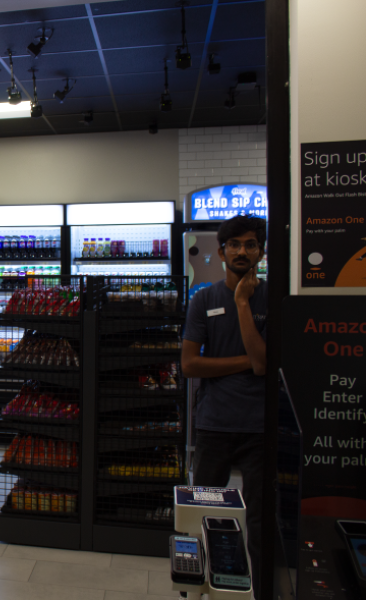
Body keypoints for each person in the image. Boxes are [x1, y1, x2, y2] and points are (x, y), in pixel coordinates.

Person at [181, 214, 267, 596]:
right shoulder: (203, 299)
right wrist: (249, 361)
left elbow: (265, 363)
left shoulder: (271, 299)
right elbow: (189, 365)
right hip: (214, 423)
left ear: (261, 251)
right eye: (235, 245)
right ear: (221, 252)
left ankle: (259, 589)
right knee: (206, 513)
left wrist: (243, 303)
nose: (242, 251)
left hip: (260, 427)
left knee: (261, 521)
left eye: (250, 244)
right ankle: (204, 585)